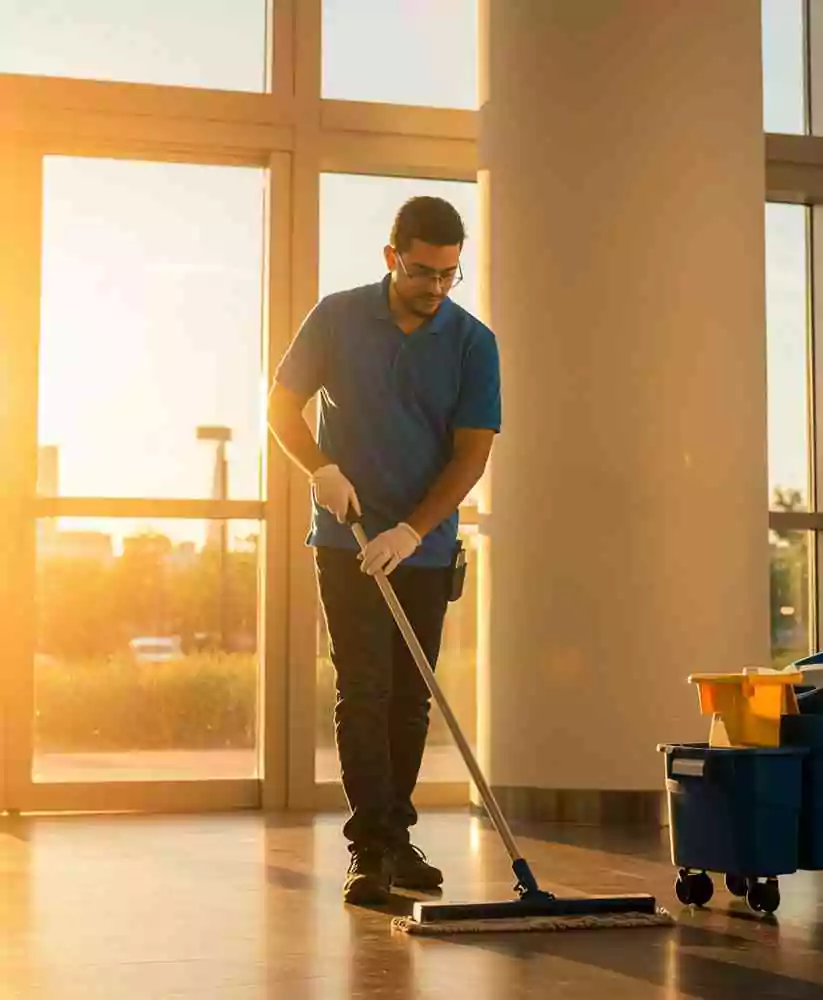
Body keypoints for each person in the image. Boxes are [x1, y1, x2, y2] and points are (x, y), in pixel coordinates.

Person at [267, 196, 501, 905]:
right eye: (423, 271)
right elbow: (280, 406)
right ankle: (371, 848)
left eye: (449, 275)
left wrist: (415, 530)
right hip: (347, 538)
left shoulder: (471, 340)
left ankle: (397, 836)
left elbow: (471, 455)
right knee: (362, 688)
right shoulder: (337, 317)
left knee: (409, 699)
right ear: (391, 256)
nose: (435, 287)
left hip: (422, 549)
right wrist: (320, 468)